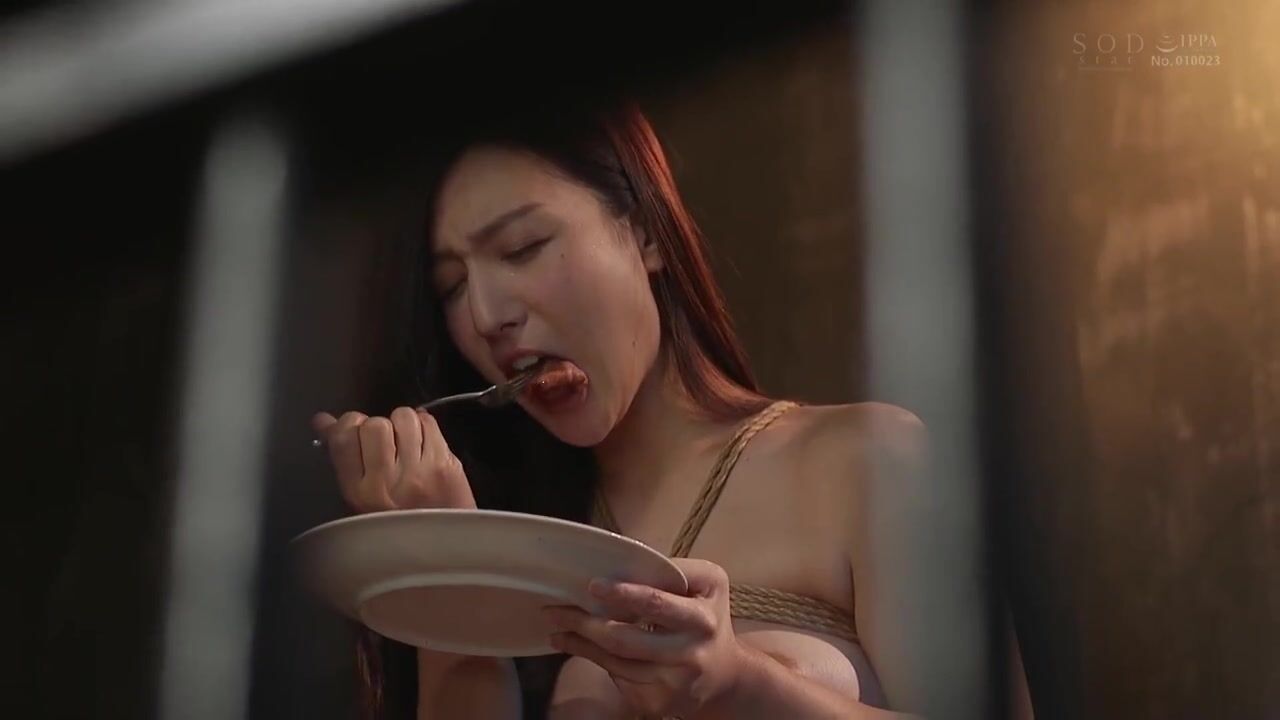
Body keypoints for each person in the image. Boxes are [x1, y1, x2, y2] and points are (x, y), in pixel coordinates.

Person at [312, 94, 1024, 719]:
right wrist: (448, 561)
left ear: (646, 232)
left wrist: (746, 686)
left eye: (522, 247)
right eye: (452, 288)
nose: (487, 314)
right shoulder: (515, 526)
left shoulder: (863, 460)